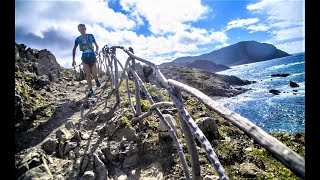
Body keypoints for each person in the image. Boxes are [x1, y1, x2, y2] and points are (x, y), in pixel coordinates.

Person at [72, 24, 101, 97]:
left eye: (83, 29)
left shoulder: (91, 36)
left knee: (94, 74)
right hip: (84, 57)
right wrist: (73, 60)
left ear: (85, 28)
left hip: (92, 56)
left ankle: (96, 79)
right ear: (78, 30)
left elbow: (96, 46)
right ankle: (90, 89)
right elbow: (74, 49)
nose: (82, 30)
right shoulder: (78, 39)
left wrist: (97, 51)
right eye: (80, 29)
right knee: (88, 74)